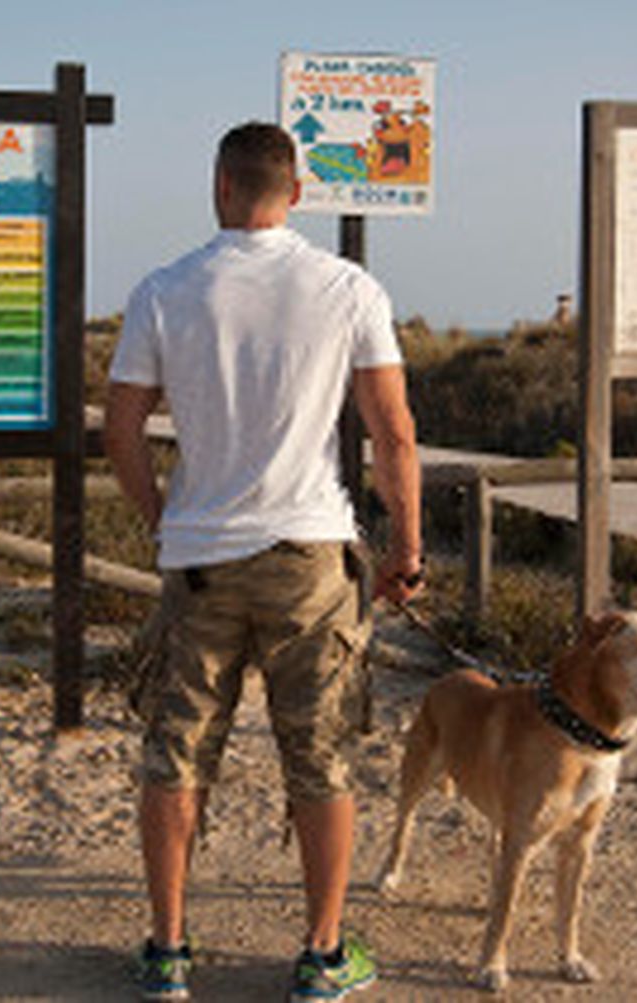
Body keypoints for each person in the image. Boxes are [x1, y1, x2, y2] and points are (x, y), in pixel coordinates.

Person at [104, 121, 423, 1002]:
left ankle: (168, 948)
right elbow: (392, 433)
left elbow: (120, 429)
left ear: (220, 186)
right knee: (320, 756)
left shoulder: (164, 289)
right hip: (310, 556)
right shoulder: (348, 287)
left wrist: (161, 515)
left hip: (200, 556)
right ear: (298, 192)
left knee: (176, 751)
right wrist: (406, 547)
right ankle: (321, 954)